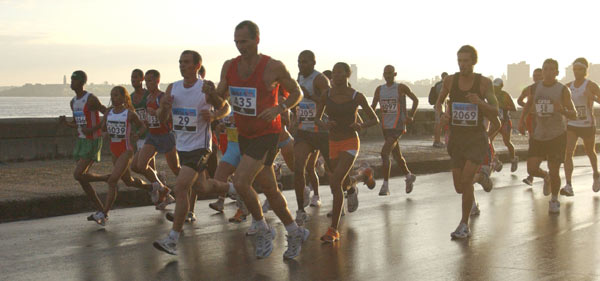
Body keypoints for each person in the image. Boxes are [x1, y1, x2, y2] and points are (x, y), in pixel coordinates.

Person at [202, 21, 308, 260]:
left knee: (240, 181)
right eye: (237, 42)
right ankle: (294, 231)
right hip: (245, 134)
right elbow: (222, 97)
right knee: (270, 189)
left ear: (257, 39)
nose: (241, 47)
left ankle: (262, 227)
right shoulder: (229, 66)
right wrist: (211, 93)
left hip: (268, 134)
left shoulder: (273, 66)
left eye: (245, 42)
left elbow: (298, 93)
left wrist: (280, 108)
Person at [153, 50, 229, 255]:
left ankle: (172, 239)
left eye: (186, 62)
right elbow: (161, 118)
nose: (182, 65)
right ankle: (232, 189)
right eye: (180, 62)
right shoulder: (173, 88)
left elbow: (225, 107)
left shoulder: (205, 87)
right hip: (183, 146)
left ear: (197, 66)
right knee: (202, 187)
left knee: (180, 187)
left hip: (201, 147)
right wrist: (165, 108)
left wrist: (214, 116)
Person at [435, 45, 499, 239]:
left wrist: (479, 102)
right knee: (460, 187)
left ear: (474, 62)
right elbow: (438, 104)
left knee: (465, 180)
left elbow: (495, 111)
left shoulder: (484, 83)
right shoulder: (450, 81)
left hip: (476, 138)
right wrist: (443, 116)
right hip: (457, 138)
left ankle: (464, 224)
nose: (462, 65)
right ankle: (481, 178)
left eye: (466, 61)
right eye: (459, 61)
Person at [315, 62, 379, 243]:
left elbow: (374, 119)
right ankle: (363, 175)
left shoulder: (356, 96)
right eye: (334, 73)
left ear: (347, 75)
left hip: (350, 141)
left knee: (334, 182)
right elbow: (317, 118)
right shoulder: (325, 95)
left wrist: (361, 125)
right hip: (333, 142)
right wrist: (325, 124)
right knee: (342, 183)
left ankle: (333, 230)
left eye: (340, 73)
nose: (336, 76)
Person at [518, 58, 576, 214]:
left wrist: (562, 110)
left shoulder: (563, 90)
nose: (548, 72)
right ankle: (545, 177)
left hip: (557, 135)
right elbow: (528, 103)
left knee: (554, 169)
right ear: (542, 71)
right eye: (545, 69)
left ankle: (554, 199)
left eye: (551, 69)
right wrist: (522, 120)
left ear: (556, 72)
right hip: (539, 135)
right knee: (531, 168)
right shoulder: (535, 87)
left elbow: (574, 114)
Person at [93, 86, 155, 225]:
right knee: (128, 181)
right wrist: (104, 132)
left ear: (123, 97)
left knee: (112, 180)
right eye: (111, 95)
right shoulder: (108, 112)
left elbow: (143, 126)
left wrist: (137, 134)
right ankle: (152, 187)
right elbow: (103, 128)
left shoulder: (129, 113)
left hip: (126, 150)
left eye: (116, 95)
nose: (113, 98)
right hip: (114, 150)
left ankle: (104, 213)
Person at [58, 70, 110, 222]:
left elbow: (106, 113)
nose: (71, 83)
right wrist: (65, 123)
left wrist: (96, 128)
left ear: (81, 82)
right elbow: (77, 124)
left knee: (77, 174)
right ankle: (101, 211)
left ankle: (106, 178)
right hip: (81, 141)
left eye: (73, 80)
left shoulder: (91, 99)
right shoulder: (73, 101)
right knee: (83, 180)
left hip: (93, 140)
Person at [293, 50, 331, 226]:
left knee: (333, 171)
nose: (301, 65)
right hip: (304, 131)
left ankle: (349, 190)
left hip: (321, 131)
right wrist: (294, 117)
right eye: (300, 62)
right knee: (298, 167)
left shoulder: (320, 79)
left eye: (305, 62)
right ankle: (300, 210)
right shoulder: (299, 77)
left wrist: (309, 96)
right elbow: (297, 101)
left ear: (314, 63)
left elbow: (328, 101)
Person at [132, 69, 177, 210]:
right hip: (152, 136)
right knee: (139, 165)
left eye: (150, 80)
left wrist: (157, 113)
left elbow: (169, 118)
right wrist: (140, 132)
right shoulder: (149, 99)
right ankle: (163, 188)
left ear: (157, 81)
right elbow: (147, 121)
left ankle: (187, 190)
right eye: (146, 81)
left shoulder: (162, 97)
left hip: (165, 136)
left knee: (176, 168)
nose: (148, 83)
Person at [371, 65, 418, 196]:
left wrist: (411, 115)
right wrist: (364, 120)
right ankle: (409, 176)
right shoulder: (379, 89)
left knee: (384, 153)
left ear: (395, 74)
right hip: (386, 127)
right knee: (397, 155)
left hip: (398, 126)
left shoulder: (401, 87)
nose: (387, 76)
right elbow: (372, 107)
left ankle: (385, 185)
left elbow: (415, 99)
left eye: (390, 73)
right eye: (385, 73)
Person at [561, 58, 600, 196]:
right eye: (575, 69)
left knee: (590, 151)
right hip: (572, 124)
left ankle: (596, 174)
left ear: (585, 70)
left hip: (587, 123)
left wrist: (593, 97)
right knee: (568, 152)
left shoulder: (591, 85)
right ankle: (569, 185)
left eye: (580, 69)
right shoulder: (567, 86)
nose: (577, 72)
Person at [518, 68, 543, 186]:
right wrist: (528, 107)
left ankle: (539, 173)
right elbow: (519, 100)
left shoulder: (547, 89)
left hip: (545, 119)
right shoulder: (529, 88)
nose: (536, 77)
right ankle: (531, 175)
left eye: (539, 75)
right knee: (533, 143)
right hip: (532, 118)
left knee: (543, 145)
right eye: (535, 75)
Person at [489, 78, 518, 172]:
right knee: (489, 140)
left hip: (505, 121)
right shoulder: (491, 95)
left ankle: (513, 159)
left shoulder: (505, 95)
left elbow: (514, 108)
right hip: (494, 121)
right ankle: (494, 159)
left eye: (497, 87)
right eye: (494, 87)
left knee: (507, 142)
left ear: (501, 86)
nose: (495, 89)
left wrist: (503, 107)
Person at [431, 72, 448, 147]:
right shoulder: (443, 85)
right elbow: (441, 98)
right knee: (438, 124)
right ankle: (437, 141)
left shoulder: (437, 84)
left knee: (438, 124)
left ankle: (437, 140)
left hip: (438, 106)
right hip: (440, 107)